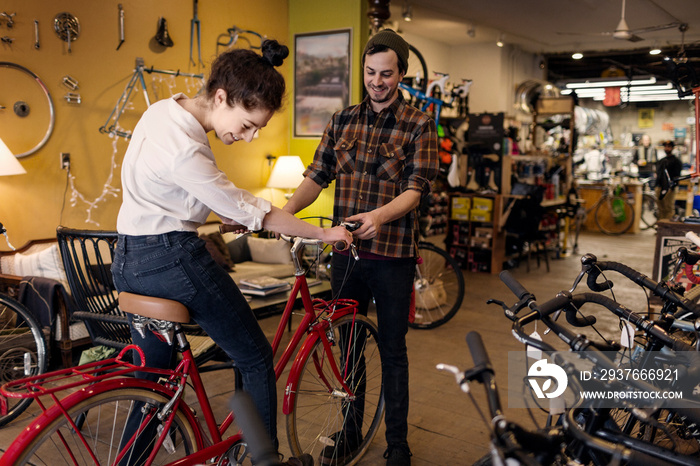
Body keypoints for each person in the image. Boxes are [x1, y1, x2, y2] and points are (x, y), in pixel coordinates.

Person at [110, 39, 351, 465]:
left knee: (154, 384)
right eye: (247, 124)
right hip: (171, 260)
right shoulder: (186, 148)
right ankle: (264, 460)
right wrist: (326, 233)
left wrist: (227, 213)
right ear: (220, 96)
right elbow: (252, 208)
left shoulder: (161, 112)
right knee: (256, 356)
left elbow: (177, 197)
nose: (249, 136)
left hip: (129, 260)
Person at [283, 29, 439, 466]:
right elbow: (316, 177)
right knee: (349, 349)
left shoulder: (419, 124)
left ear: (401, 74)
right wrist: (284, 214)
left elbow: (416, 190)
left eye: (386, 74)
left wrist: (379, 217)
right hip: (347, 256)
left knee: (392, 350)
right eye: (370, 72)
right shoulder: (342, 120)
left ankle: (397, 445)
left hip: (392, 258)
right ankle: (351, 431)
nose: (377, 81)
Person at [655, 140, 683, 221]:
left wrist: (672, 187)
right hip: (660, 187)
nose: (667, 148)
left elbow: (677, 176)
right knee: (660, 208)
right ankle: (660, 226)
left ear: (672, 148)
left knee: (668, 208)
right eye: (665, 147)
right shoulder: (662, 160)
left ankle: (667, 227)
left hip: (669, 188)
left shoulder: (676, 161)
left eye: (669, 147)